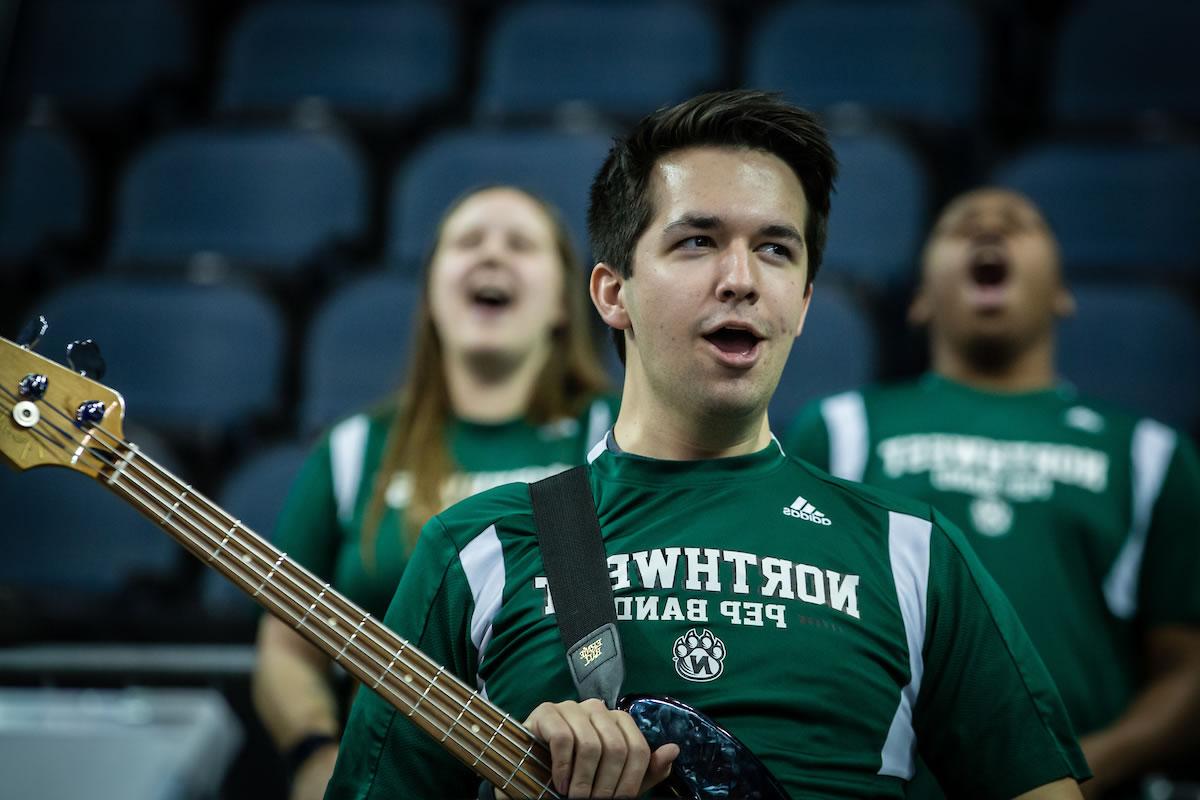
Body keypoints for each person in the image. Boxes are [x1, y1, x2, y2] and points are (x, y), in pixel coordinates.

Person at [324, 91, 1090, 799]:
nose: (740, 278)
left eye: (777, 251)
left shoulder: (913, 552)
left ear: (805, 302)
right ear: (611, 293)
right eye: (697, 242)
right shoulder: (478, 547)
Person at [785, 187, 1200, 798]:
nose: (988, 229)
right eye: (959, 228)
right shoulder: (843, 429)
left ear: (1062, 291)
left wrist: (1067, 773)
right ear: (921, 298)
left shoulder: (1149, 453)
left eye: (1019, 224)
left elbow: (1187, 670)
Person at [252, 185, 616, 800]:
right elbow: (287, 648)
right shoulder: (352, 451)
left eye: (520, 244)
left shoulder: (612, 436)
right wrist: (315, 752)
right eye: (468, 241)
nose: (491, 255)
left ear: (563, 301)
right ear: (430, 295)